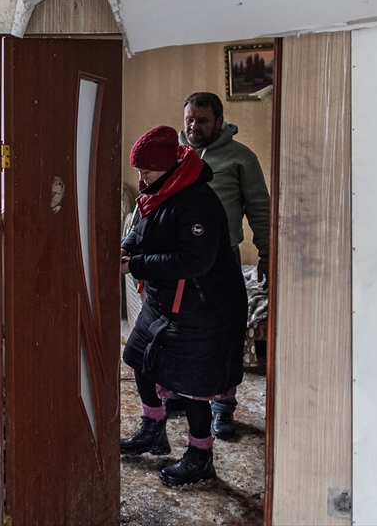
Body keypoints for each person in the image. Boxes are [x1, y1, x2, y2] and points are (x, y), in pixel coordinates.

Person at [119, 126, 247, 488]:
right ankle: (153, 429)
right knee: (139, 359)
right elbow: (140, 224)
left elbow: (195, 261)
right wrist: (127, 247)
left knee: (192, 386)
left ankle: (200, 456)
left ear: (169, 166)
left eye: (146, 170)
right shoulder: (158, 190)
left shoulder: (196, 200)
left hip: (203, 306)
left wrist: (136, 266)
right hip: (164, 301)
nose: (140, 178)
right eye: (138, 170)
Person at [170, 91, 271, 439]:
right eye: (189, 119)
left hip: (221, 259)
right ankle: (180, 392)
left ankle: (223, 408)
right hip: (181, 259)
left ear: (219, 120)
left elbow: (260, 208)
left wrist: (267, 254)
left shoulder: (242, 158)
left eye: (202, 120)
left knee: (224, 334)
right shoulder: (176, 155)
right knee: (180, 332)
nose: (194, 126)